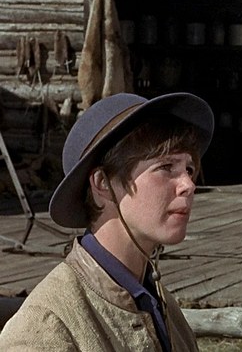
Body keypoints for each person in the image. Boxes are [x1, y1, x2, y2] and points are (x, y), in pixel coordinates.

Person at [0, 92, 214, 351]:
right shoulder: (45, 328)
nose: (188, 184)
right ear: (102, 183)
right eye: (166, 167)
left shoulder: (160, 304)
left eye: (189, 169)